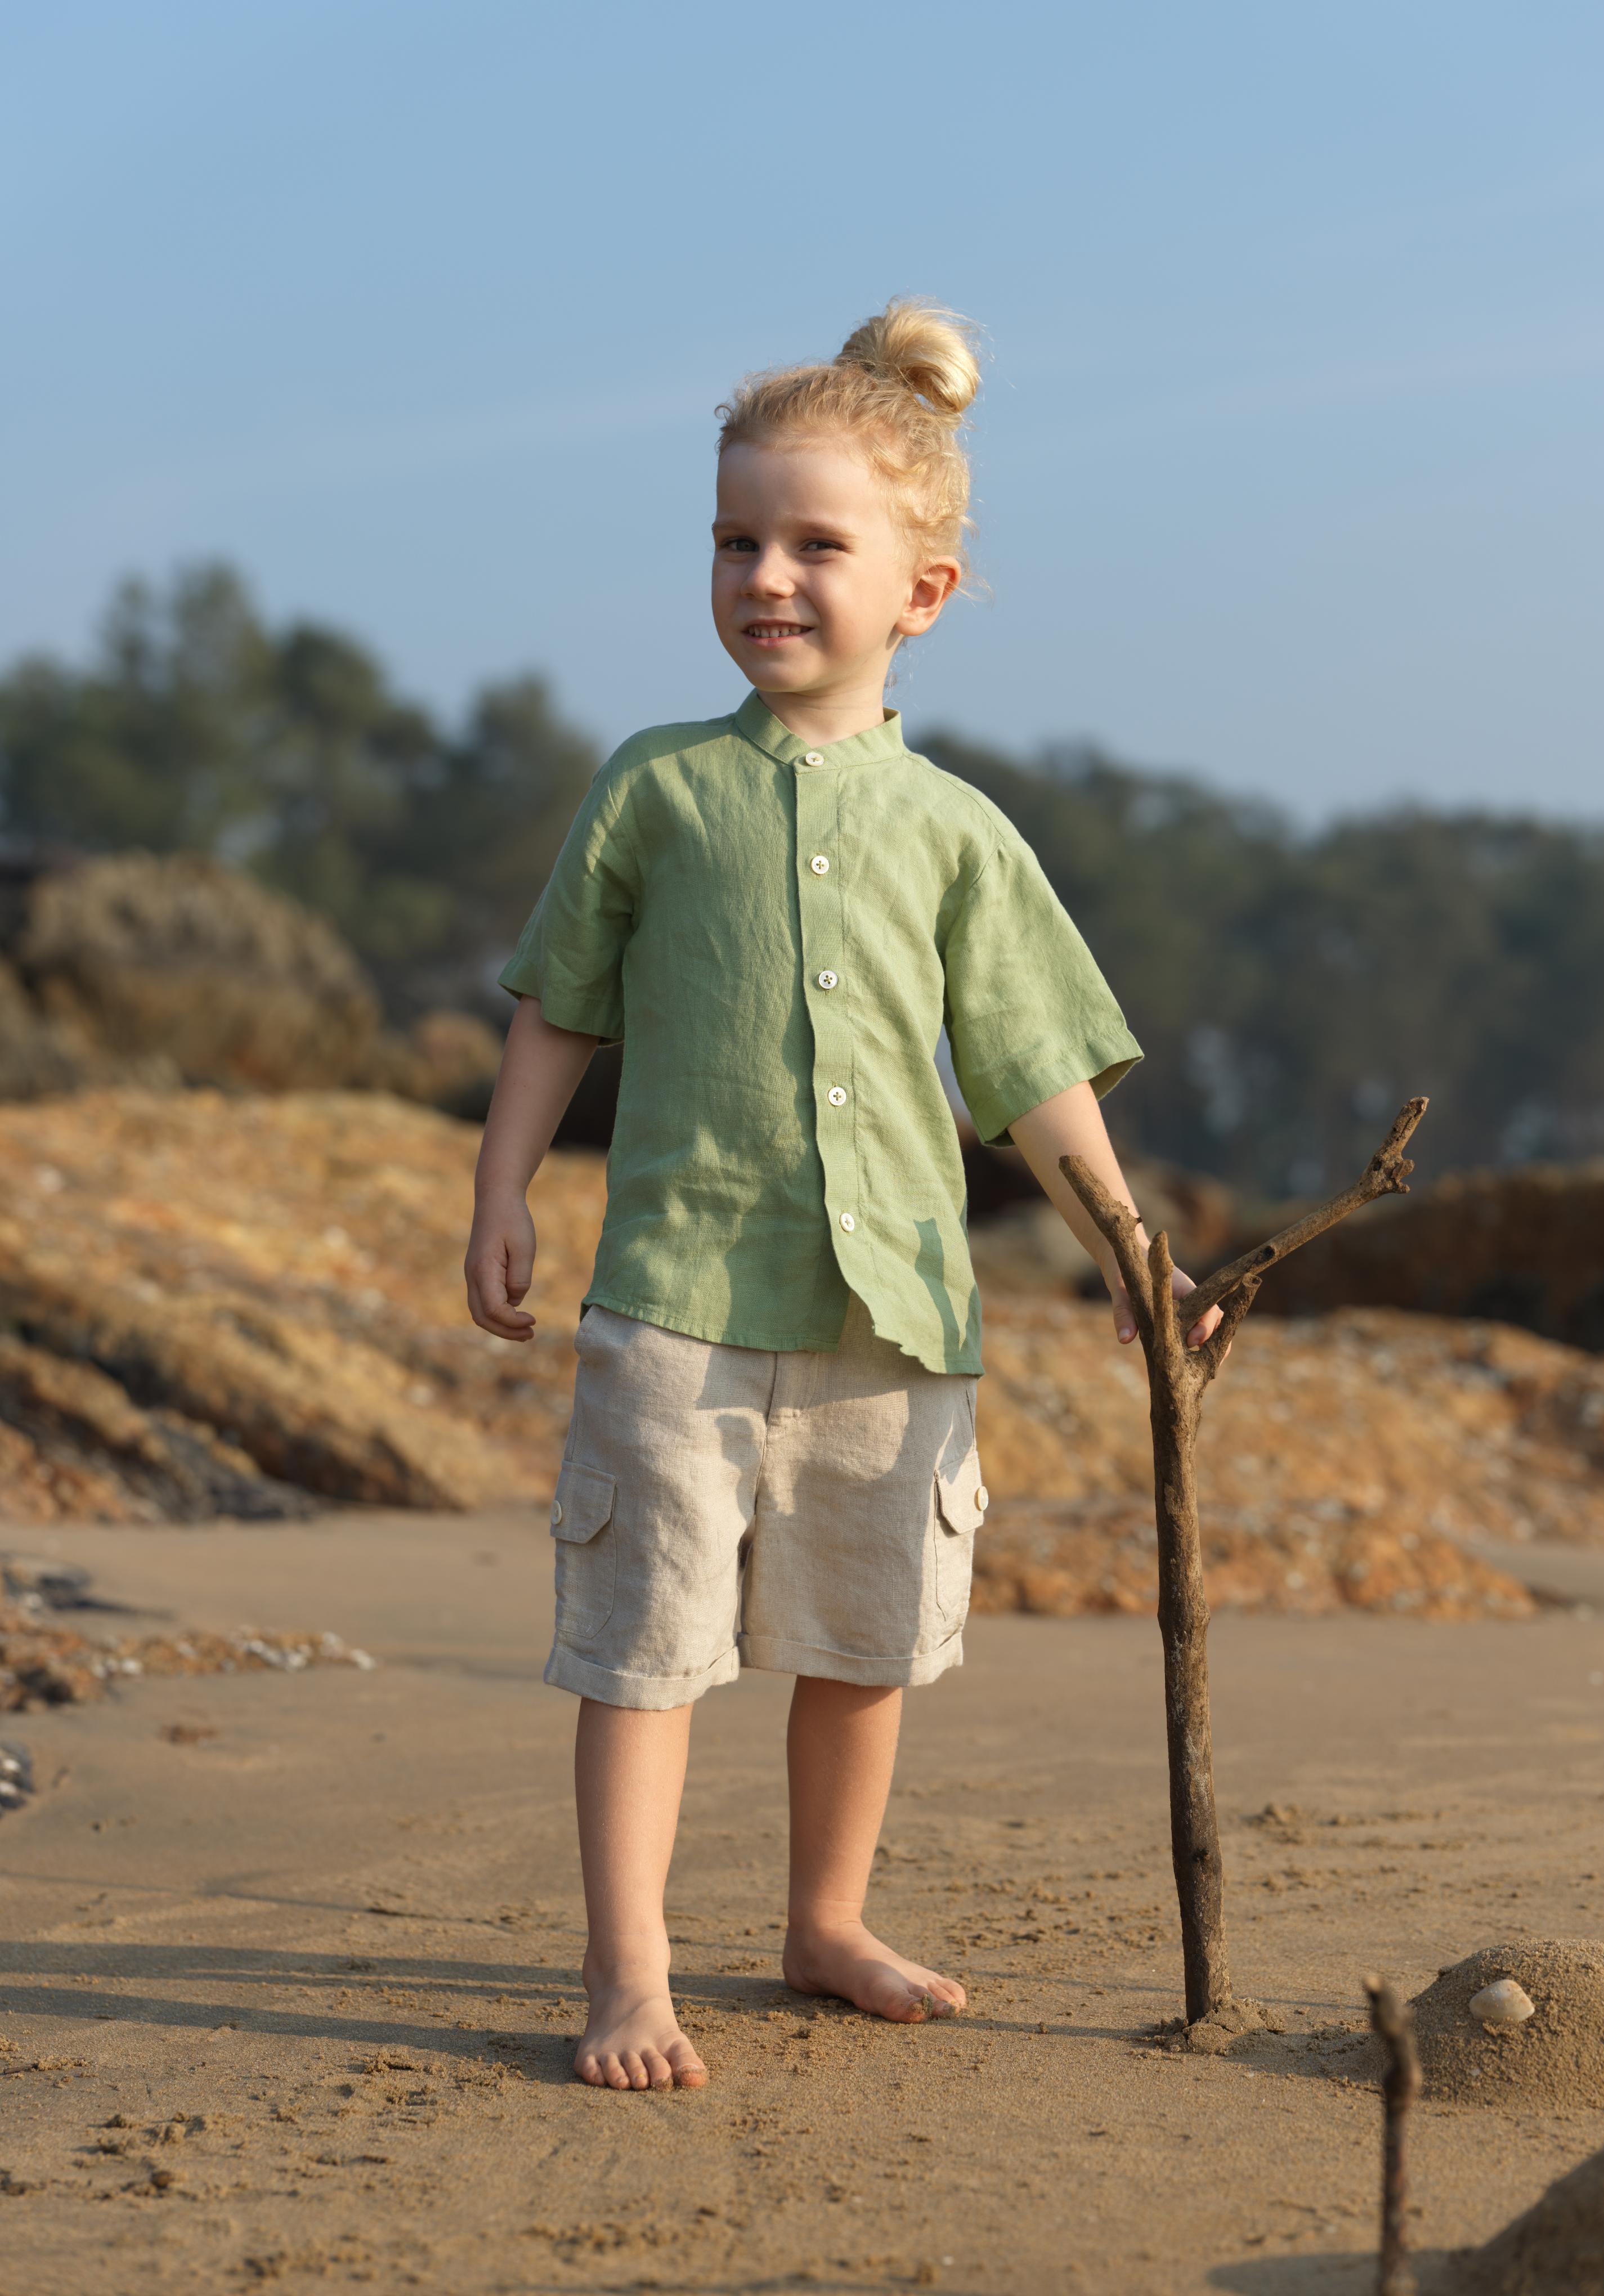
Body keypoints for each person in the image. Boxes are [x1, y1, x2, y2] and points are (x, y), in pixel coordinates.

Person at [463, 300, 1221, 2093]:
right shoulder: (655, 787)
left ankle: (822, 1919)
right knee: (644, 1649)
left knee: (862, 1641)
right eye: (738, 540)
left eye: (817, 545)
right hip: (672, 1296)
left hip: (895, 1317)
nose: (769, 578)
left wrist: (1133, 1258)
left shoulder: (958, 830)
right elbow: (556, 1008)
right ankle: (627, 1967)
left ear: (923, 592)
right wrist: (500, 1187)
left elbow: (1031, 1070)